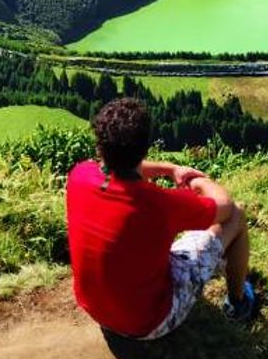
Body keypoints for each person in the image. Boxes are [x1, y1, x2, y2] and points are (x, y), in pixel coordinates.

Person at [66, 97, 256, 339]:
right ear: (145, 148)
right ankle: (237, 305)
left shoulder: (79, 175)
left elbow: (123, 169)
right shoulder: (160, 203)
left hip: (96, 310)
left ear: (100, 146)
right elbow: (226, 207)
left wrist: (169, 169)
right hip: (148, 323)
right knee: (238, 215)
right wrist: (198, 180)